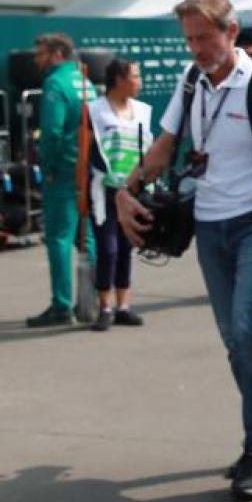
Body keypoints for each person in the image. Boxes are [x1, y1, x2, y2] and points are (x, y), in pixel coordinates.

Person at [116, 0, 252, 500]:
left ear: (232, 32)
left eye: (204, 37)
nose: (197, 48)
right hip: (209, 227)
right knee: (235, 340)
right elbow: (164, 147)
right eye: (189, 39)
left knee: (248, 330)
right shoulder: (192, 83)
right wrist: (127, 188)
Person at [26, 34, 97, 328]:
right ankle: (91, 301)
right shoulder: (84, 81)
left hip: (64, 171)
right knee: (87, 237)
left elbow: (52, 132)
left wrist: (48, 166)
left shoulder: (55, 83)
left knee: (58, 238)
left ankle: (61, 305)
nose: (37, 60)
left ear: (57, 54)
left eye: (40, 54)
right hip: (88, 169)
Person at [86, 58, 152, 331]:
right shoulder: (95, 110)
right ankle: (105, 307)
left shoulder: (143, 111)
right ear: (119, 80)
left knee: (126, 248)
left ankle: (123, 306)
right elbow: (85, 150)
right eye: (135, 76)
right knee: (108, 249)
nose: (139, 82)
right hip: (104, 190)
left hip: (133, 190)